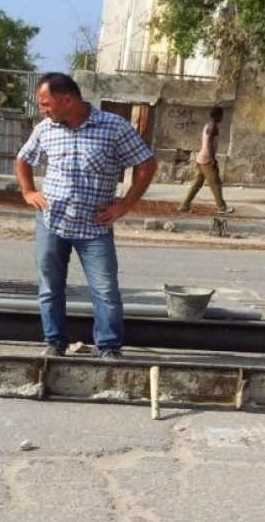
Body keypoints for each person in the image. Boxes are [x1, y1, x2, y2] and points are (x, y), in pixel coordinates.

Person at [15, 72, 157, 359]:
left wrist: (125, 205)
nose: (43, 110)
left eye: (46, 103)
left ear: (67, 100)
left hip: (95, 228)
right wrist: (28, 191)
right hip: (52, 221)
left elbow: (146, 164)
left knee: (105, 290)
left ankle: (109, 347)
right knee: (50, 287)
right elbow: (23, 159)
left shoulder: (114, 127)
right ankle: (55, 342)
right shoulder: (46, 129)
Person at [178, 106, 233, 215]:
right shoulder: (213, 127)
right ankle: (222, 207)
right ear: (217, 116)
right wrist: (212, 159)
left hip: (201, 157)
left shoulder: (208, 125)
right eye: (221, 115)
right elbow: (209, 143)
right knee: (215, 183)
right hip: (207, 159)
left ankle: (184, 206)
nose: (222, 117)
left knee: (197, 183)